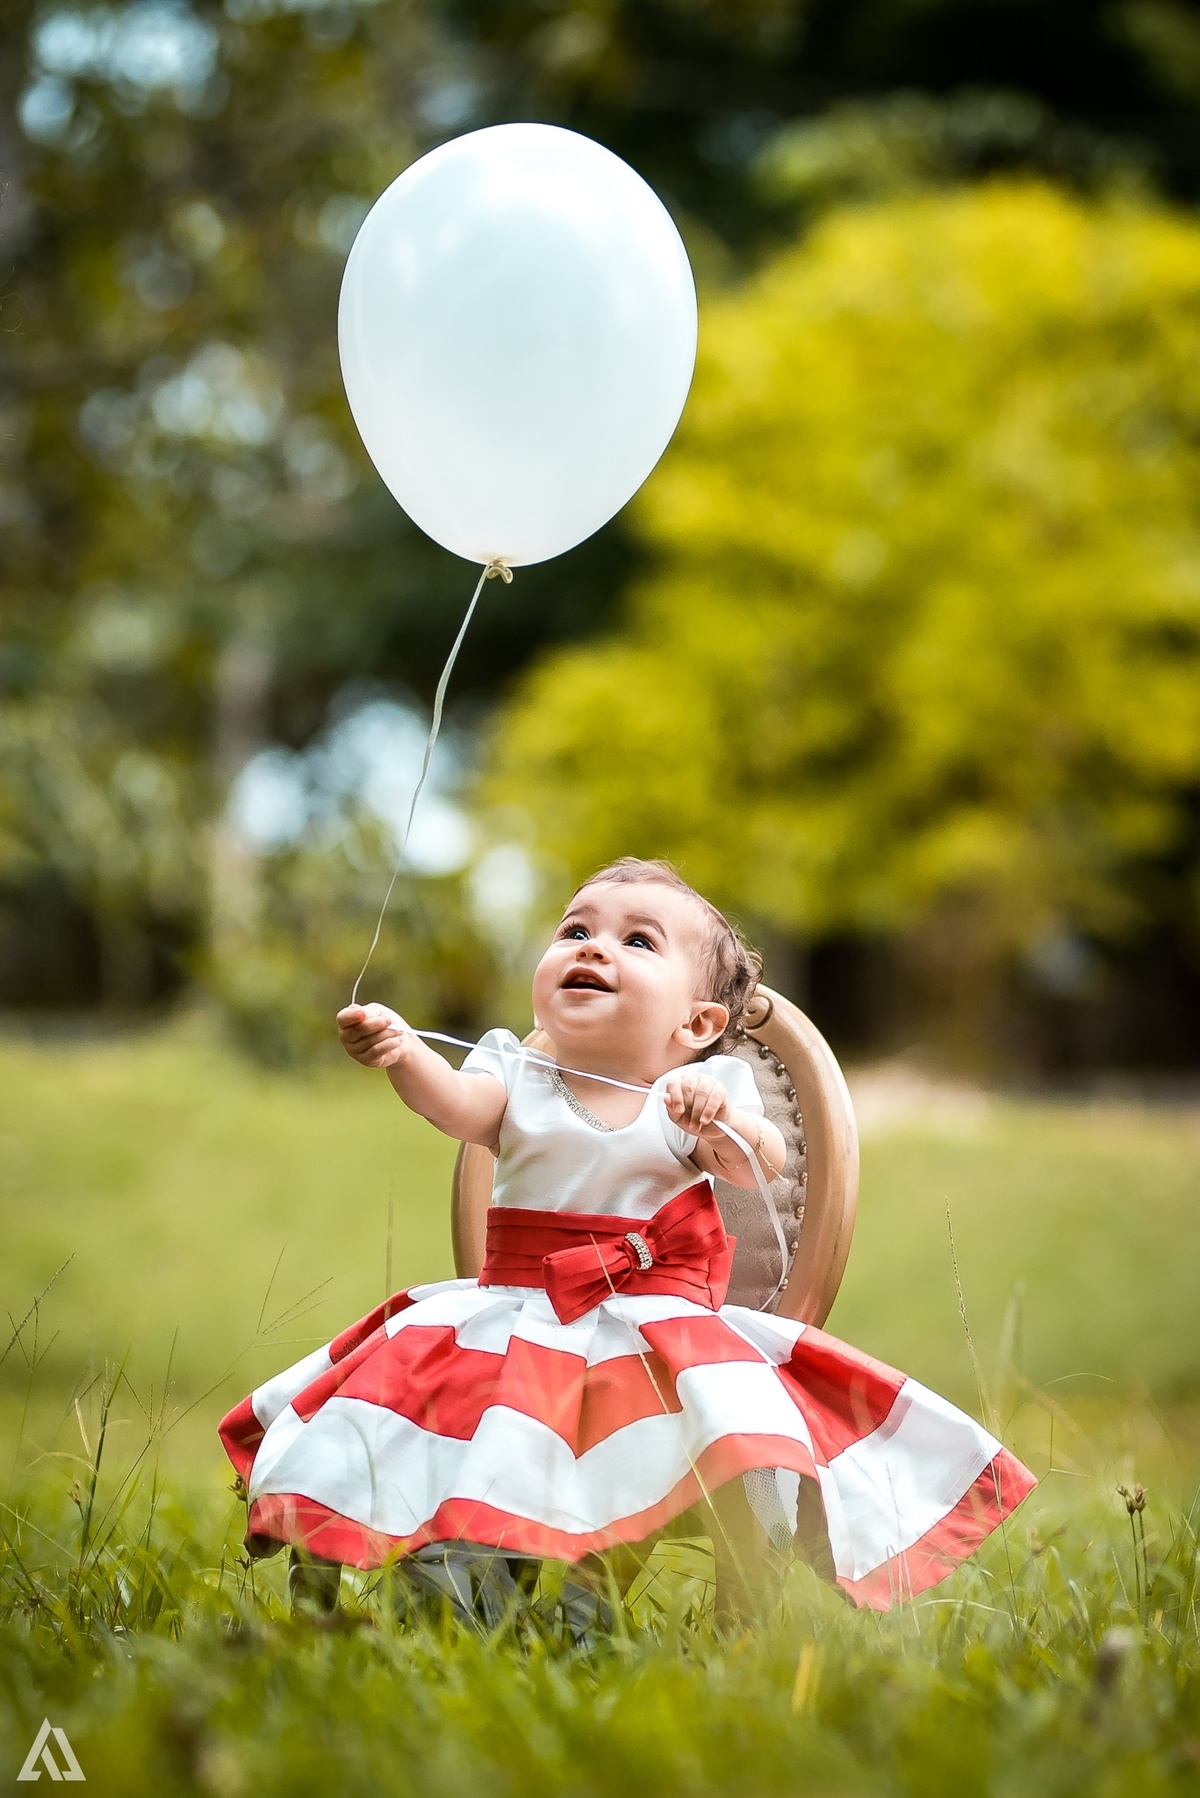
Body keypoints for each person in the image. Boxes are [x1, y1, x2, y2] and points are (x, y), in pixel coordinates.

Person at [220, 857, 1034, 1626]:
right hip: (513, 1321)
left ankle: (610, 1599)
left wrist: (719, 1118)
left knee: (722, 1428)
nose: (594, 947)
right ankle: (458, 1591)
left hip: (646, 1336)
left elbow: (758, 1167)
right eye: (574, 932)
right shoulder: (514, 1072)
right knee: (452, 1429)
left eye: (637, 941)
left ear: (699, 1022)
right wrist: (403, 1052)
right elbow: (453, 1106)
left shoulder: (700, 1091)